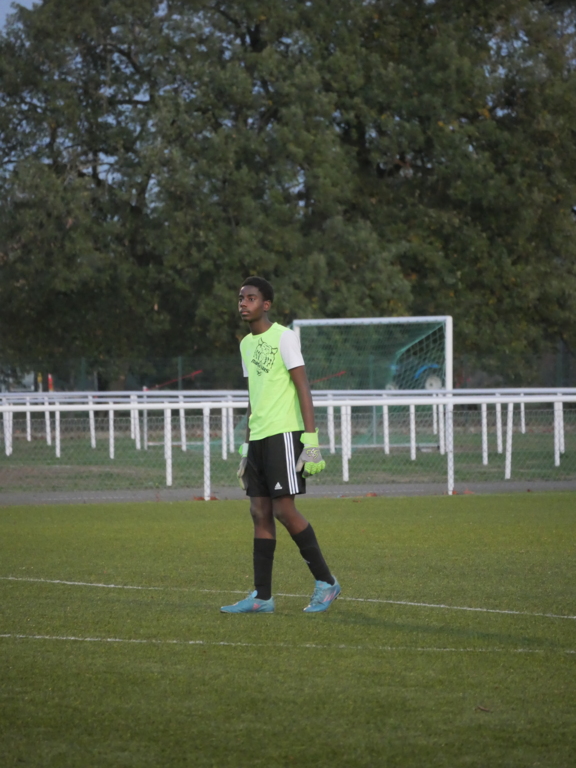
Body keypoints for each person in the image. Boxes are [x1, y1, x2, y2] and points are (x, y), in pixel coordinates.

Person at [221, 276, 340, 614]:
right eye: (241, 298)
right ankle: (262, 597)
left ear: (266, 304)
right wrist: (246, 445)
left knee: (283, 510)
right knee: (259, 512)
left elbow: (303, 387)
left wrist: (311, 441)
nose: (243, 303)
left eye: (251, 298)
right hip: (258, 438)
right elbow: (253, 396)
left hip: (284, 434)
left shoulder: (284, 337)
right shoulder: (246, 345)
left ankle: (326, 582)